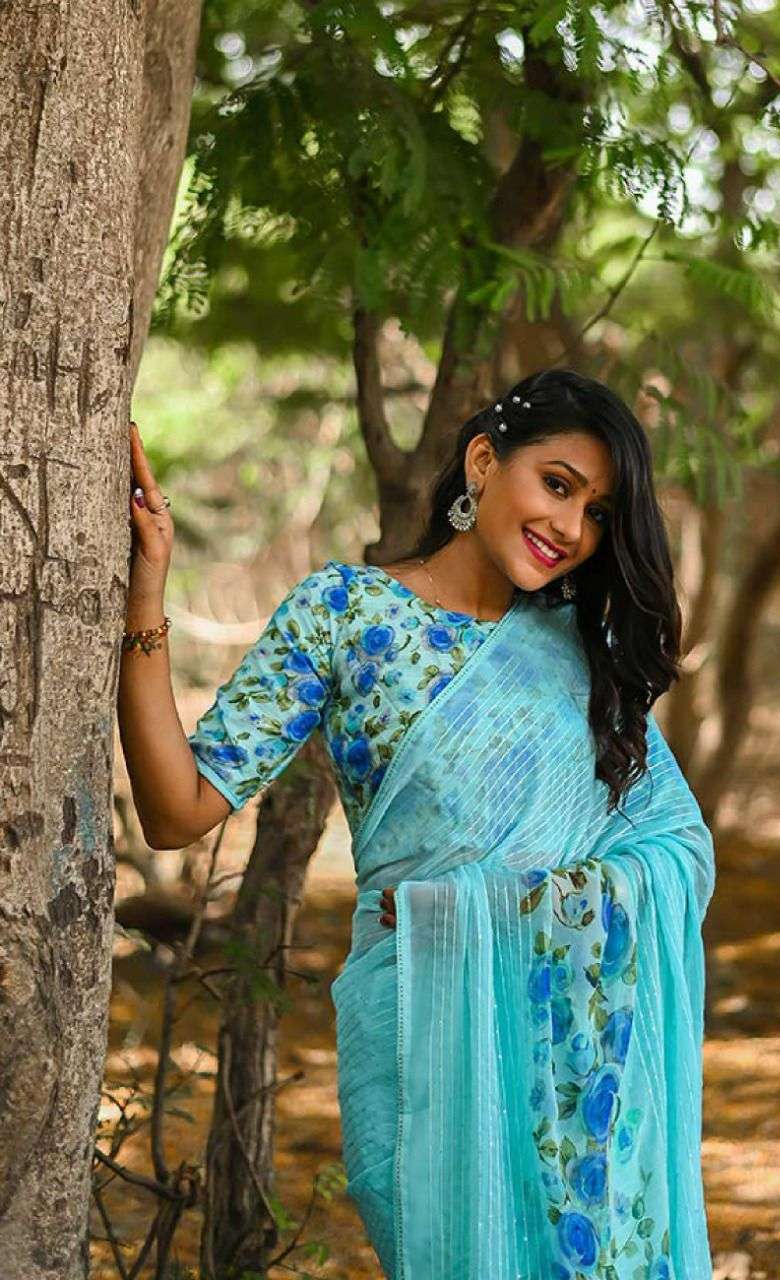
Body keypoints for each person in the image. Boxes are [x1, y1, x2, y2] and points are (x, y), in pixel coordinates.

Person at [118, 367, 717, 1279]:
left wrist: (489, 906)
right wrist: (145, 593)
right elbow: (176, 811)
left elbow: (675, 849)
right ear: (483, 462)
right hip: (418, 1028)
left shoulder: (583, 650)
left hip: (579, 1056)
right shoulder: (345, 612)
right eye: (556, 485)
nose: (570, 527)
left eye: (597, 512)